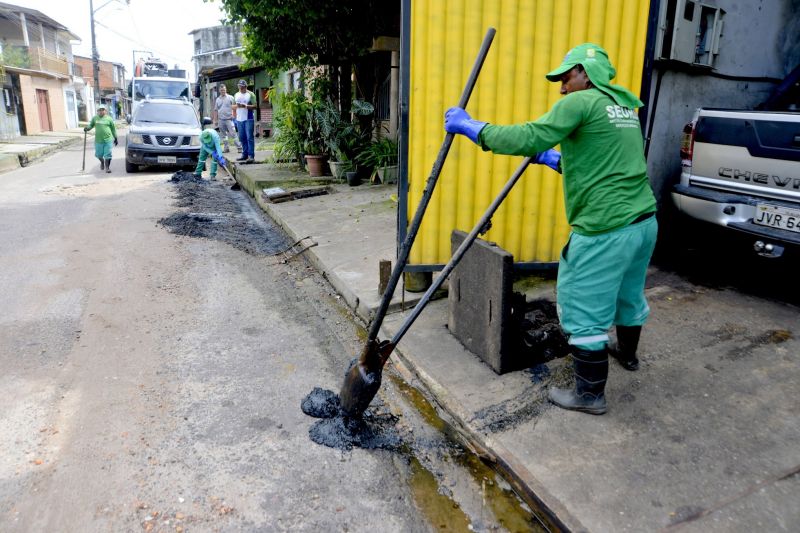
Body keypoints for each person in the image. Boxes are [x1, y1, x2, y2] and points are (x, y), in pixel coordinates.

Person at [445, 43, 657, 415]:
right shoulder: (622, 106)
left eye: (566, 77)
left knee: (581, 305)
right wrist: (558, 160)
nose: (561, 88)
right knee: (627, 293)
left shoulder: (580, 102)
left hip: (604, 229)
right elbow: (606, 158)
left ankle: (590, 395)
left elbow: (528, 137)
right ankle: (628, 353)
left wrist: (473, 128)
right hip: (642, 222)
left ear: (586, 74)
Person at [84, 104, 117, 173]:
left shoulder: (109, 119)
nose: (101, 111)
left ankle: (107, 168)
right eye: (99, 110)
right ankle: (102, 162)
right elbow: (91, 125)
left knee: (108, 155)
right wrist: (87, 128)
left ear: (105, 111)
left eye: (102, 110)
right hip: (98, 141)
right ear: (97, 111)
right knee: (99, 155)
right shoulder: (95, 118)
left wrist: (115, 138)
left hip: (108, 140)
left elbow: (113, 129)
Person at [213, 84, 241, 153]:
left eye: (224, 90)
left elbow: (235, 107)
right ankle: (226, 148)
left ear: (226, 90)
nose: (223, 91)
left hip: (229, 119)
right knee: (224, 136)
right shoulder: (217, 99)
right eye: (221, 90)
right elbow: (215, 110)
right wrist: (215, 120)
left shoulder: (230, 97)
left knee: (233, 134)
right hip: (221, 120)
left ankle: (239, 147)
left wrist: (234, 115)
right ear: (219, 91)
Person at [234, 79, 256, 163]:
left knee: (249, 137)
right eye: (239, 87)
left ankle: (251, 156)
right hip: (239, 118)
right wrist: (237, 107)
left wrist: (245, 106)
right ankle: (244, 154)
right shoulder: (236, 94)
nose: (241, 88)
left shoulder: (251, 94)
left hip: (248, 118)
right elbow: (232, 106)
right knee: (242, 137)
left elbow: (255, 106)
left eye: (242, 87)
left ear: (246, 87)